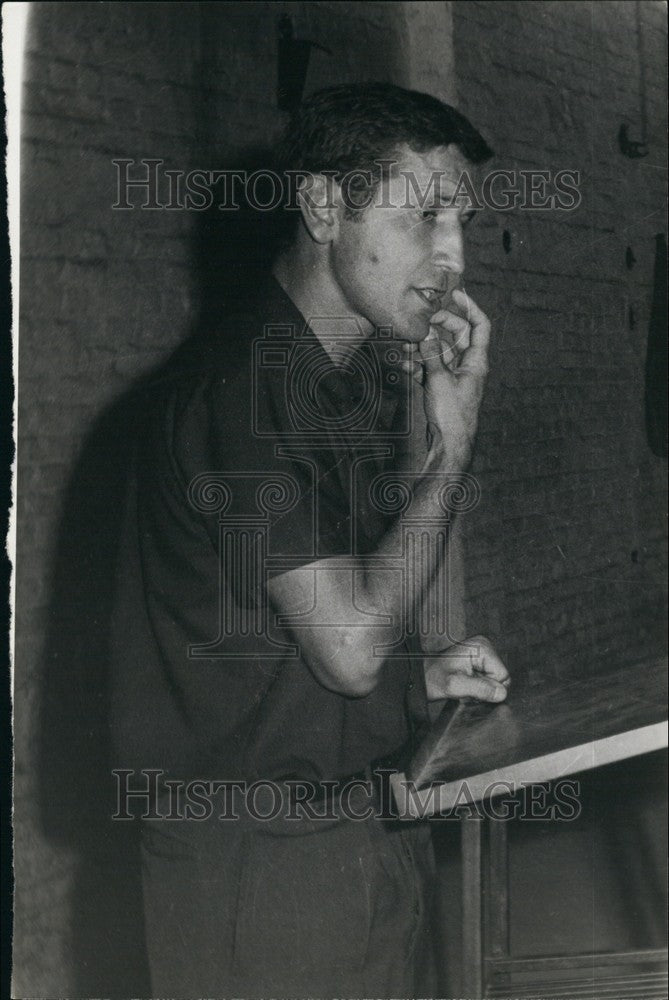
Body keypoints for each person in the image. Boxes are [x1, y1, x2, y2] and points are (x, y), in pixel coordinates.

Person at [109, 82, 510, 998]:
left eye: (464, 222)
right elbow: (351, 649)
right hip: (265, 870)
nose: (452, 258)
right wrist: (451, 447)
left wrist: (421, 678)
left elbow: (275, 640)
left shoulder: (316, 384)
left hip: (336, 833)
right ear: (324, 206)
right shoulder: (243, 391)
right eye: (424, 219)